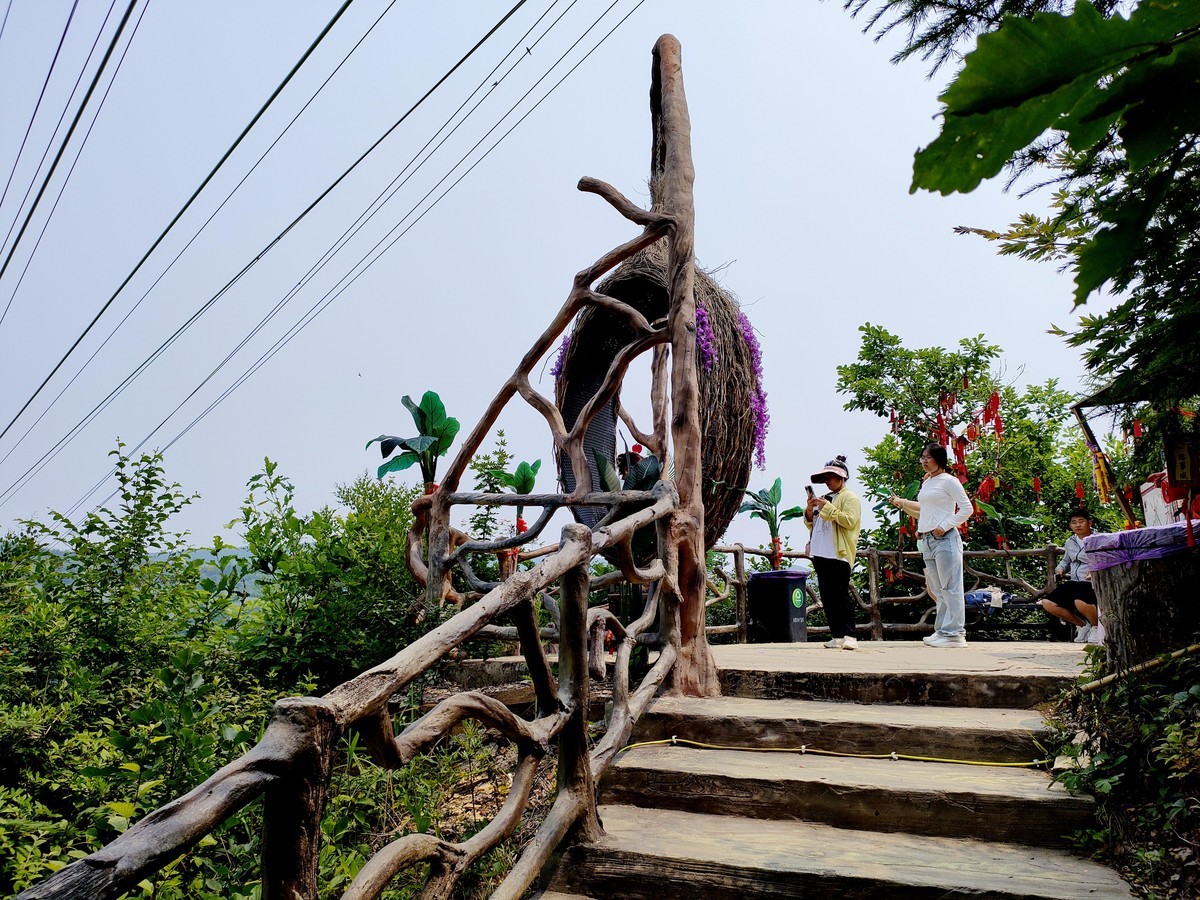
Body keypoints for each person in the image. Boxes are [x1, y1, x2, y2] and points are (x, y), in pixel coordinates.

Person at [888, 443, 972, 647]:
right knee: (937, 587)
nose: (924, 461)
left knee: (950, 586)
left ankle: (955, 634)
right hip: (927, 539)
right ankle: (943, 630)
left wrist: (945, 525)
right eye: (922, 457)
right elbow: (925, 509)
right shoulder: (927, 482)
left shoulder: (950, 481)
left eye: (928, 457)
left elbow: (967, 508)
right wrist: (907, 508)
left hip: (946, 538)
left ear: (939, 459)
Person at [805, 455, 863, 650]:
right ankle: (837, 635)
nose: (828, 481)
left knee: (840, 595)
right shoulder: (825, 499)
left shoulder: (850, 497)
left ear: (842, 478)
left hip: (838, 554)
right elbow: (811, 522)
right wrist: (810, 508)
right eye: (826, 477)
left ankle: (850, 635)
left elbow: (849, 521)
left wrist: (826, 507)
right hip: (820, 552)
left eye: (831, 476)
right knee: (828, 596)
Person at [1040, 508, 1104, 644]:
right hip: (1074, 581)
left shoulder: (1099, 539)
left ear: (1089, 522)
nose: (1078, 525)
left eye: (1081, 521)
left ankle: (1096, 627)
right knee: (1047, 603)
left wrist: (1094, 569)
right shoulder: (1070, 542)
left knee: (1080, 602)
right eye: (1074, 522)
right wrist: (1060, 569)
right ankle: (1082, 625)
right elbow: (1066, 560)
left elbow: (1106, 558)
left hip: (1091, 581)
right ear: (1070, 525)